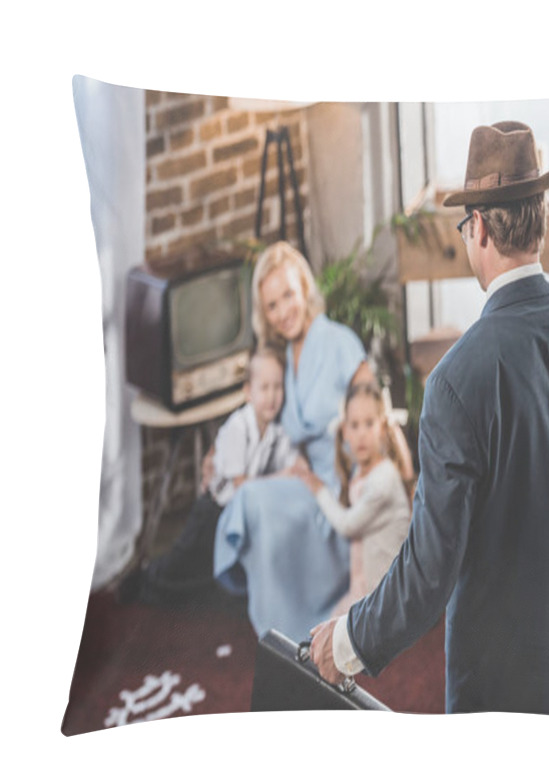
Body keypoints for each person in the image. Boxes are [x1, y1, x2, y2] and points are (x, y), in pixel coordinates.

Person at [309, 121, 549, 721]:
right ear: (539, 218)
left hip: (496, 697)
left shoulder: (454, 381)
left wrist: (347, 642)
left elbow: (428, 574)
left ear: (477, 227)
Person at [212, 242, 413, 643]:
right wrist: (214, 455)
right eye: (272, 305)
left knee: (252, 501)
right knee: (249, 499)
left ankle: (294, 621)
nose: (284, 311)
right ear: (264, 315)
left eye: (288, 295)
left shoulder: (339, 343)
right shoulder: (282, 360)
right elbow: (260, 415)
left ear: (305, 288)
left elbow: (378, 417)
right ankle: (276, 624)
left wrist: (384, 480)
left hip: (347, 483)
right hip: (307, 478)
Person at [118, 344, 298, 604]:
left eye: (277, 387)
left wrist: (292, 472)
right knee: (181, 560)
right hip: (213, 510)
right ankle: (144, 582)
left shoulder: (274, 431)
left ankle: (192, 590)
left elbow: (289, 464)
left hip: (233, 515)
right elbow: (242, 486)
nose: (272, 396)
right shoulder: (239, 426)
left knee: (205, 572)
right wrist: (283, 476)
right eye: (264, 388)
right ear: (248, 392)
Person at [291, 380, 411, 617]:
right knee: (321, 632)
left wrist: (318, 489)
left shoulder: (384, 479)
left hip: (384, 594)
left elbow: (347, 525)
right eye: (354, 425)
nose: (361, 434)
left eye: (369, 424)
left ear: (383, 427)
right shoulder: (361, 472)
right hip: (363, 585)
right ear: (344, 431)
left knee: (329, 639)